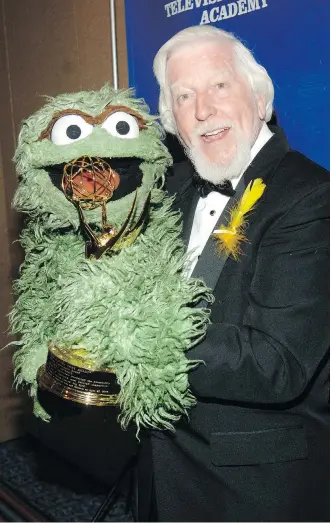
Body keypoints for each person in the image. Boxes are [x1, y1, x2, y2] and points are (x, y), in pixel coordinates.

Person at [150, 25, 330, 522]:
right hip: (166, 466)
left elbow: (277, 363)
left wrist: (133, 339)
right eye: (183, 96)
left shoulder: (311, 197)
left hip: (254, 487)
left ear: (261, 98)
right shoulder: (173, 189)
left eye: (219, 85)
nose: (202, 109)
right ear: (173, 123)